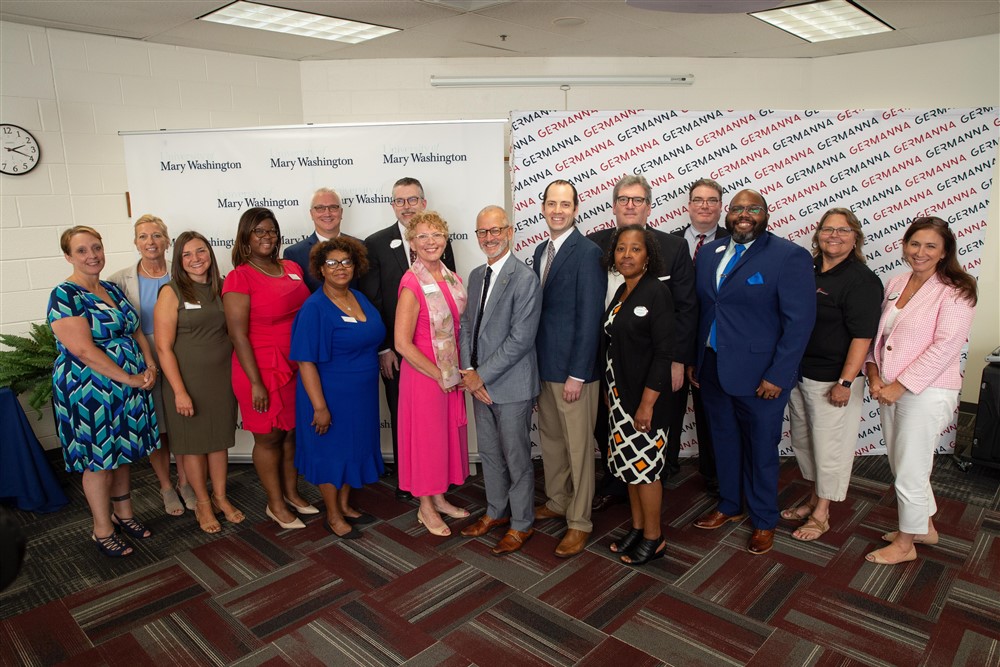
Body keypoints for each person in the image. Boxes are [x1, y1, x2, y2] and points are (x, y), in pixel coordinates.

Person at [690, 189, 816, 556]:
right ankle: (730, 506)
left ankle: (763, 520)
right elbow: (705, 309)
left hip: (762, 376)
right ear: (727, 215)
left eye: (753, 209)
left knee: (761, 449)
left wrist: (778, 374)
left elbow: (799, 324)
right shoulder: (710, 253)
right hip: (713, 368)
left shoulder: (788, 256)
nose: (744, 215)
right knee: (724, 442)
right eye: (738, 209)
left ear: (765, 214)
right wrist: (698, 359)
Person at [865, 217, 977, 565]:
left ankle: (905, 543)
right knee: (902, 465)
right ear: (904, 245)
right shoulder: (897, 282)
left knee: (912, 468)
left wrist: (900, 385)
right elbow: (880, 337)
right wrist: (873, 374)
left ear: (945, 252)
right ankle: (924, 526)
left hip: (926, 391)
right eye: (915, 244)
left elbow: (946, 346)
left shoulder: (957, 289)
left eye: (931, 246)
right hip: (889, 387)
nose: (921, 252)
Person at [587, 175, 697, 512]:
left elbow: (686, 308)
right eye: (624, 199)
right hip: (605, 357)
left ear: (649, 206)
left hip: (652, 362)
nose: (630, 205)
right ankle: (617, 480)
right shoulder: (594, 245)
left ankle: (653, 489)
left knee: (651, 429)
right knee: (608, 425)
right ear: (614, 206)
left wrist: (677, 360)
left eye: (638, 200)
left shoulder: (674, 247)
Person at [48, 226, 159, 557]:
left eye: (96, 247)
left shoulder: (111, 287)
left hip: (128, 385)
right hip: (89, 391)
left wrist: (150, 367)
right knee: (98, 461)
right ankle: (102, 528)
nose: (92, 255)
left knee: (122, 453)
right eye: (81, 250)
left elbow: (136, 330)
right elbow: (83, 350)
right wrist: (130, 378)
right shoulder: (65, 295)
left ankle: (124, 514)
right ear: (68, 256)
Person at [783, 209, 883, 541]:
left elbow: (862, 337)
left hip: (833, 380)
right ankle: (814, 499)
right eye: (828, 229)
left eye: (843, 230)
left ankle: (822, 514)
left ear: (855, 237)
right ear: (818, 235)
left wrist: (845, 382)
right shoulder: (806, 270)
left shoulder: (862, 280)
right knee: (805, 443)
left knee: (830, 448)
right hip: (799, 374)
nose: (834, 236)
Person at [359, 178, 457, 500]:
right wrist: (386, 347)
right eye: (400, 201)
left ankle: (436, 485)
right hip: (400, 350)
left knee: (435, 424)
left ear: (423, 202)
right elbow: (374, 301)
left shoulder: (441, 242)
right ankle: (410, 482)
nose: (407, 205)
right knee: (406, 417)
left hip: (441, 353)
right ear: (392, 206)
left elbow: (448, 294)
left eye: (412, 199)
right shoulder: (375, 243)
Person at [223, 207, 313, 530]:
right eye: (259, 231)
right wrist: (256, 382)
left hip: (293, 364)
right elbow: (237, 333)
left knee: (290, 434)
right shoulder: (239, 276)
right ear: (246, 236)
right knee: (268, 438)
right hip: (259, 367)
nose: (266, 237)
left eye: (271, 231)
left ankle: (292, 493)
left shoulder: (290, 267)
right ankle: (275, 504)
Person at [459, 206, 542, 555]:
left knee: (516, 457)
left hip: (511, 386)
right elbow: (465, 327)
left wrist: (481, 376)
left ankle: (521, 523)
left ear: (509, 232)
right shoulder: (477, 274)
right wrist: (468, 373)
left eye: (496, 231)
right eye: (483, 232)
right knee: (490, 454)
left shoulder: (524, 278)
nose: (489, 238)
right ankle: (495, 511)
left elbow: (521, 339)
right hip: (478, 385)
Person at [291, 237, 385, 539]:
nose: (340, 268)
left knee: (352, 449)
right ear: (321, 269)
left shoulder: (358, 297)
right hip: (329, 394)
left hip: (361, 396)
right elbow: (305, 361)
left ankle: (344, 505)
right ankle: (332, 515)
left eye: (346, 262)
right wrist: (319, 406)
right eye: (332, 263)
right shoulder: (314, 308)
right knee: (331, 453)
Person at [532, 179, 606, 558]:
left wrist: (578, 373)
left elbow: (591, 317)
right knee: (553, 444)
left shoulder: (588, 252)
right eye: (551, 203)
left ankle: (579, 522)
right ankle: (559, 501)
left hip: (575, 373)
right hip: (544, 367)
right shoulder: (540, 250)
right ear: (542, 207)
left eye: (565, 204)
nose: (558, 210)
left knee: (578, 450)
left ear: (576, 209)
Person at [153, 231, 243, 534]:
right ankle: (202, 503)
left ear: (210, 253)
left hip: (221, 379)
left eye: (201, 251)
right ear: (178, 260)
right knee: (191, 446)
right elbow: (163, 347)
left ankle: (220, 497)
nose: (195, 259)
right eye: (187, 254)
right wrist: (179, 391)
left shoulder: (223, 287)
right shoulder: (172, 291)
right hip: (187, 382)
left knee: (218, 442)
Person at [108, 214, 193, 517]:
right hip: (146, 359)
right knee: (158, 426)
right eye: (143, 236)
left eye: (156, 235)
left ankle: (186, 483)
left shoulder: (183, 272)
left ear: (167, 241)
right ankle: (166, 486)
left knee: (183, 421)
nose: (150, 242)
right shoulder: (119, 281)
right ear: (135, 243)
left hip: (182, 353)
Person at [601, 225, 674, 565]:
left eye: (635, 249)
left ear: (649, 256)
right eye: (621, 249)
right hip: (620, 398)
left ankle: (654, 537)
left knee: (646, 471)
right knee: (629, 469)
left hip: (646, 401)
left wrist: (647, 404)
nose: (627, 255)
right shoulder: (622, 293)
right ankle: (637, 527)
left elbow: (663, 353)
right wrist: (610, 391)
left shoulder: (656, 292)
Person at [394, 211, 469, 535]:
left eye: (436, 234)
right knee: (426, 441)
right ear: (412, 243)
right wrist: (437, 374)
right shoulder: (412, 282)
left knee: (442, 439)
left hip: (449, 372)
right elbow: (401, 343)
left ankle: (438, 498)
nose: (431, 242)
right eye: (422, 236)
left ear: (445, 238)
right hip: (424, 376)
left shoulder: (451, 277)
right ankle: (425, 507)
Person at [668, 178, 730, 493]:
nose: (704, 205)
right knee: (668, 413)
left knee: (711, 417)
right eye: (698, 199)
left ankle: (714, 475)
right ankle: (664, 470)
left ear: (721, 206)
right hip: (675, 344)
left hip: (713, 346)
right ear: (688, 206)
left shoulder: (736, 244)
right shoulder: (668, 242)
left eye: (711, 200)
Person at [284, 187, 353, 293]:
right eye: (320, 208)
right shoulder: (294, 254)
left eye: (333, 207)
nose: (327, 213)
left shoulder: (360, 247)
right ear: (311, 214)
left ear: (341, 212)